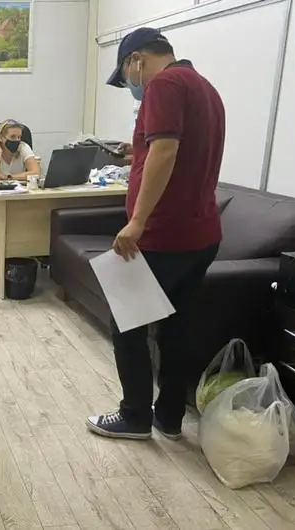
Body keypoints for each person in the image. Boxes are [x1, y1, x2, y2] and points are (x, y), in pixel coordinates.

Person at [86, 28, 225, 441]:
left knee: (127, 325)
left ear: (137, 60)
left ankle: (134, 416)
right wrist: (137, 152)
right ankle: (169, 417)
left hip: (163, 234)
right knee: (176, 329)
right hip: (201, 233)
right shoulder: (204, 87)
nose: (132, 84)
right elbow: (178, 149)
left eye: (127, 75)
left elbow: (166, 151)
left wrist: (138, 222)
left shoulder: (163, 85)